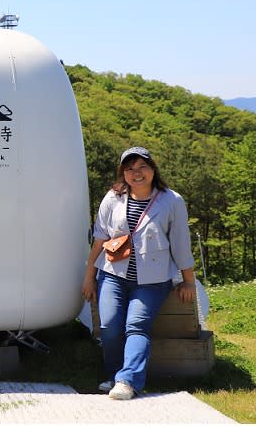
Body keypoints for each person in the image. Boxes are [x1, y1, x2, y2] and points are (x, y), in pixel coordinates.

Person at [81, 146, 196, 400]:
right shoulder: (113, 197)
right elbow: (100, 239)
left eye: (142, 167)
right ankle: (113, 376)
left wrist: (189, 282)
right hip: (112, 273)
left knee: (136, 326)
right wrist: (89, 275)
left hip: (153, 280)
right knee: (109, 325)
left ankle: (127, 381)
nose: (137, 173)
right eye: (130, 169)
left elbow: (180, 243)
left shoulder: (171, 200)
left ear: (153, 169)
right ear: (123, 173)